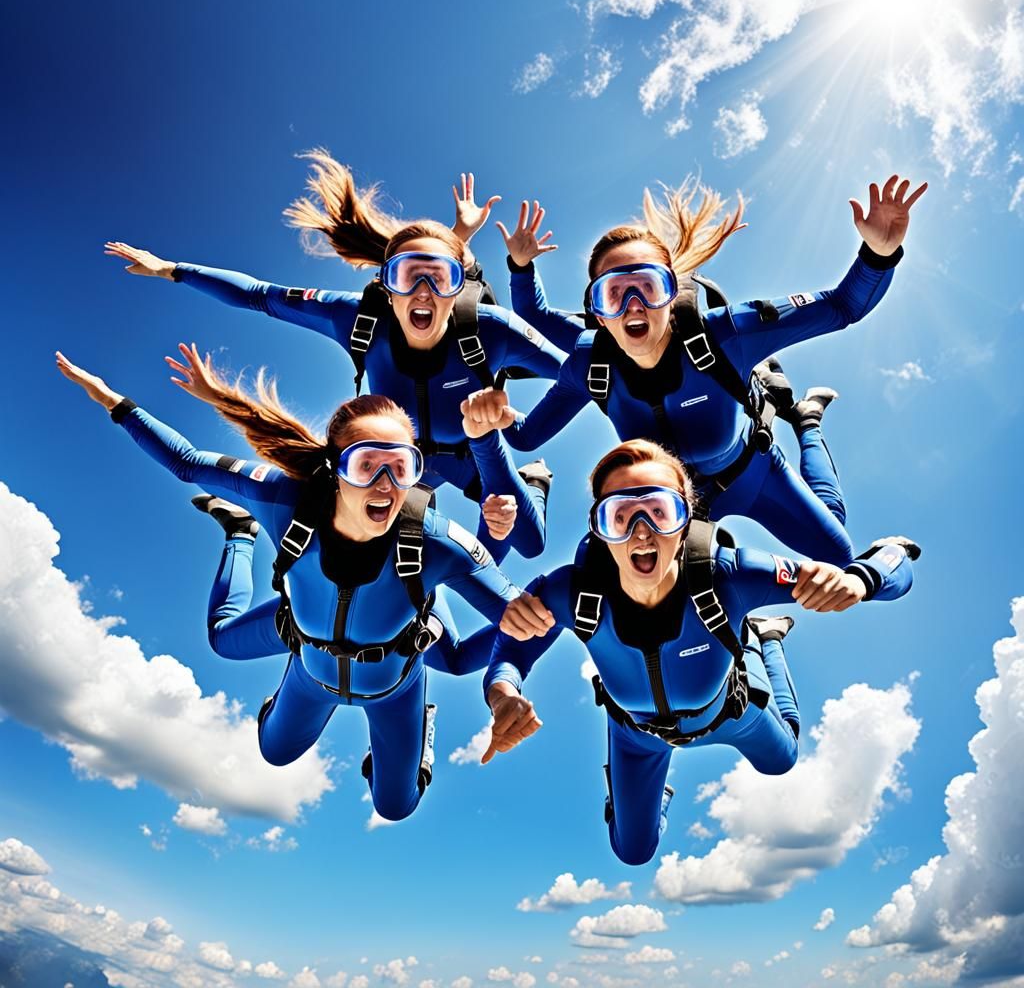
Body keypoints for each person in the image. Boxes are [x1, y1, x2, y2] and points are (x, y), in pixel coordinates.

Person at [55, 348, 552, 822]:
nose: (385, 484)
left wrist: (505, 692)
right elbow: (187, 463)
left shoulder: (438, 540)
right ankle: (239, 534)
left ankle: (417, 715)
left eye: (401, 468)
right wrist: (112, 401)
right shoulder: (285, 501)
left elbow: (526, 618)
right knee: (266, 734)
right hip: (306, 659)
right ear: (334, 470)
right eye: (366, 465)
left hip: (396, 687)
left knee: (396, 806)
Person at [103, 157, 565, 561]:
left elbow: (585, 374)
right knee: (373, 547)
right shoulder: (358, 319)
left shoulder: (490, 328)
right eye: (407, 277)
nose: (423, 292)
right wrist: (170, 269)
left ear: (458, 284)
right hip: (395, 460)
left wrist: (514, 432)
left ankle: (533, 483)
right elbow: (259, 296)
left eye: (440, 277)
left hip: (471, 451)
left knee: (524, 542)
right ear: (386, 285)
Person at [482, 439, 917, 864]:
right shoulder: (570, 592)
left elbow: (889, 571)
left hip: (732, 711)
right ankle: (660, 784)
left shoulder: (731, 576)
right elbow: (510, 653)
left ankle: (767, 643)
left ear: (686, 522)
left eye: (659, 512)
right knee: (633, 851)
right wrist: (503, 696)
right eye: (620, 516)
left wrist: (862, 578)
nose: (642, 532)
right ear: (600, 529)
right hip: (638, 735)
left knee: (782, 760)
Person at [465, 175, 927, 565]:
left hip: (757, 473)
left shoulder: (725, 335)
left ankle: (806, 423)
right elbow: (525, 435)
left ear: (672, 292)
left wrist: (877, 256)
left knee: (839, 558)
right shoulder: (592, 361)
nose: (633, 305)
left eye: (648, 286)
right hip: (674, 506)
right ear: (597, 311)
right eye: (614, 294)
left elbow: (842, 306)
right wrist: (498, 418)